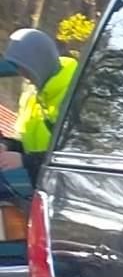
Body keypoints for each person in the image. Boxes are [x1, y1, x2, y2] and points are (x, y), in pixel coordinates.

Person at [2, 28, 77, 202]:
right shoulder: (30, 95)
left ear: (38, 62)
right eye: (19, 69)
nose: (23, 76)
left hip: (65, 197)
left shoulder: (76, 96)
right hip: (37, 189)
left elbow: (78, 159)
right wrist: (6, 146)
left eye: (25, 69)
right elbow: (25, 143)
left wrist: (27, 162)